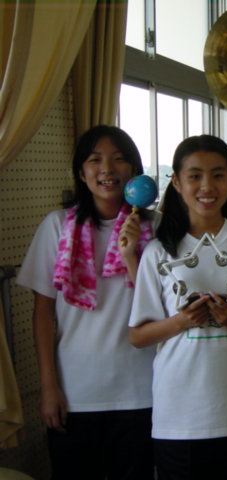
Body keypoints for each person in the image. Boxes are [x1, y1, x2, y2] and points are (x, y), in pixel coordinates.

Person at [128, 135, 227, 479]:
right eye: (195, 175)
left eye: (217, 175)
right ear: (177, 182)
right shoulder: (158, 251)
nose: (207, 186)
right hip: (178, 416)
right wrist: (182, 321)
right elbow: (138, 336)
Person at [17, 125, 155, 479]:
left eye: (119, 159)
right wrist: (48, 387)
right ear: (81, 172)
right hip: (75, 393)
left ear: (134, 171)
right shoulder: (56, 226)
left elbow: (161, 306)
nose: (107, 169)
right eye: (95, 160)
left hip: (143, 392)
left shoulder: (155, 230)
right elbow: (43, 313)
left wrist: (132, 255)